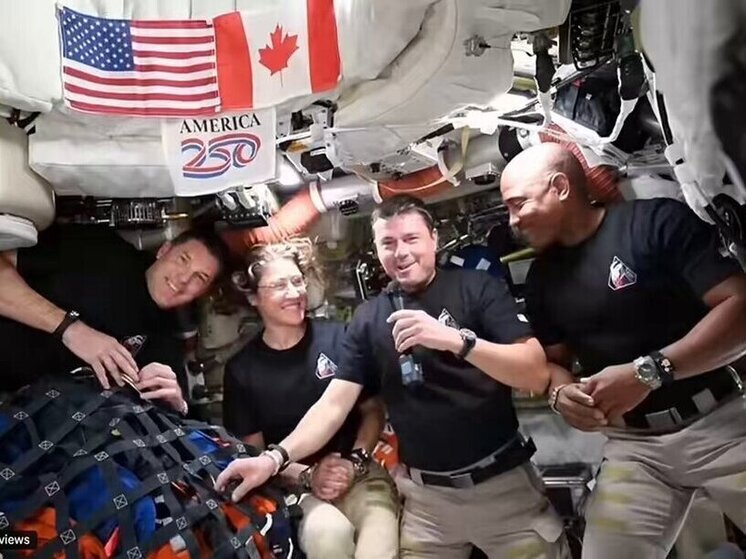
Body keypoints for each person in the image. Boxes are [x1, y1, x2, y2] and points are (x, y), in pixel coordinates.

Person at [216, 195, 568, 559]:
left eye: (411, 238)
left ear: (433, 238)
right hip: (427, 504)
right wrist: (273, 459)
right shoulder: (369, 319)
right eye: (388, 243)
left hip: (502, 489)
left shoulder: (476, 288)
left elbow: (533, 373)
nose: (401, 252)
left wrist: (456, 341)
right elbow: (333, 405)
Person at [499, 143, 746, 558]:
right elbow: (555, 366)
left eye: (518, 204)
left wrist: (649, 373)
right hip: (636, 448)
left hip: (721, 425)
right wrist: (561, 394)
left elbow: (739, 309)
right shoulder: (542, 279)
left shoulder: (654, 222)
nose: (512, 221)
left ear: (560, 187)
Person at [222, 238, 399, 559]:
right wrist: (307, 475)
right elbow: (254, 453)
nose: (294, 293)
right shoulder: (242, 370)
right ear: (253, 297)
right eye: (279, 285)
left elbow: (372, 409)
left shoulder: (340, 337)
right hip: (294, 485)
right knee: (327, 535)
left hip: (357, 471)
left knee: (379, 536)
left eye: (297, 281)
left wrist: (355, 461)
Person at [0, 223, 228, 412]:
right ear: (164, 250)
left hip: (28, 423)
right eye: (183, 259)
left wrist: (177, 403)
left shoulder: (167, 341)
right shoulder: (96, 248)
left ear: (203, 293)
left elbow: (178, 415)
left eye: (200, 278)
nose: (184, 279)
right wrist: (70, 329)